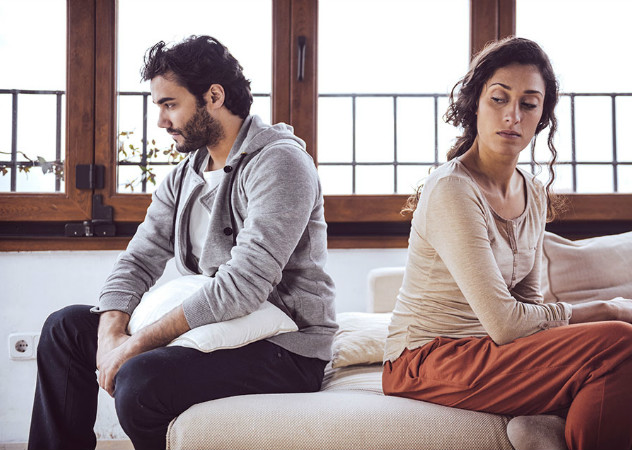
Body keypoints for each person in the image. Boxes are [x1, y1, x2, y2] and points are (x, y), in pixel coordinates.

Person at [28, 35, 337, 450]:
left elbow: (243, 286)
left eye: (169, 104)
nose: (161, 121)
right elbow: (137, 261)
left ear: (213, 97)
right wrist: (111, 338)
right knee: (65, 328)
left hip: (286, 347)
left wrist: (135, 346)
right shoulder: (184, 175)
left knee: (141, 379)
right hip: (220, 328)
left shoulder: (280, 163)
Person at [382, 36, 632, 450]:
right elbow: (506, 323)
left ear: (542, 117)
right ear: (475, 104)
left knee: (615, 349)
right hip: (425, 359)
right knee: (619, 342)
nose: (512, 115)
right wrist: (608, 308)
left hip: (493, 351)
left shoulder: (532, 192)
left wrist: (565, 338)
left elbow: (529, 307)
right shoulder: (452, 189)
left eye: (529, 104)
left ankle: (546, 428)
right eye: (499, 99)